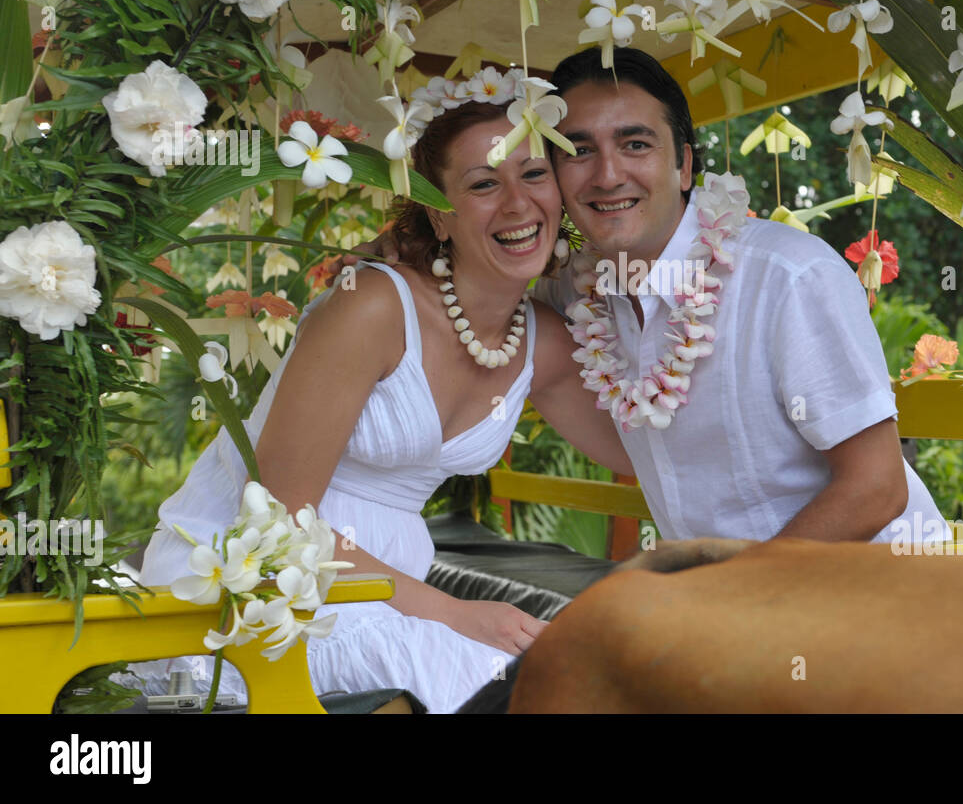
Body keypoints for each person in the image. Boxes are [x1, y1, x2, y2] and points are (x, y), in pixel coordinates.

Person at [134, 94, 633, 713]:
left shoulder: (542, 340)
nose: (517, 202)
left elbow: (647, 452)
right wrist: (458, 615)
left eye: (534, 174)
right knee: (497, 682)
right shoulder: (371, 307)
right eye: (483, 183)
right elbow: (279, 521)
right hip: (263, 574)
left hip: (390, 591)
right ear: (439, 216)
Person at [354, 48, 948, 547]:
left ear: (685, 165)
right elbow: (480, 291)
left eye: (636, 145)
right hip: (717, 614)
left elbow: (877, 486)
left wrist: (732, 596)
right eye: (578, 150)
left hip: (871, 596)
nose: (608, 175)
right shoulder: (571, 293)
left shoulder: (788, 277)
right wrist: (418, 245)